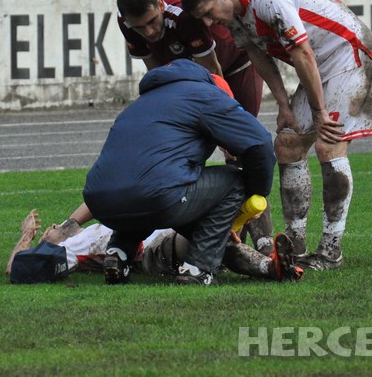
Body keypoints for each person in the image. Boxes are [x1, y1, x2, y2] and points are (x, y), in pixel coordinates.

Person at [180, 0, 372, 271]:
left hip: (350, 54)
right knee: (287, 144)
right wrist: (284, 105)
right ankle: (295, 245)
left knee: (328, 146)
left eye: (209, 14)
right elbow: (257, 55)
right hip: (321, 65)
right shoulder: (234, 13)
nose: (210, 24)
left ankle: (330, 251)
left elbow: (301, 53)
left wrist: (319, 112)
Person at [81, 59, 277, 285]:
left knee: (145, 188)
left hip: (100, 202)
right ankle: (198, 267)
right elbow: (260, 143)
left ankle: (119, 253)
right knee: (235, 181)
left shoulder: (141, 103)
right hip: (155, 195)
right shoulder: (207, 96)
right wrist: (259, 191)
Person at [116, 0, 274, 254]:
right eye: (140, 27)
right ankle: (224, 235)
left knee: (241, 151)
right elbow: (157, 74)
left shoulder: (184, 20)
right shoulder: (127, 23)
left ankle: (264, 241)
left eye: (153, 21)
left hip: (232, 69)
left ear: (161, 6)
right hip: (192, 78)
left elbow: (215, 76)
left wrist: (227, 132)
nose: (149, 32)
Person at [6, 209, 302, 283]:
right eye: (52, 229)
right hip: (151, 252)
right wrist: (26, 238)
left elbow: (93, 202)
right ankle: (270, 265)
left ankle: (272, 262)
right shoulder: (69, 251)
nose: (53, 226)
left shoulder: (88, 229)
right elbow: (15, 269)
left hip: (165, 231)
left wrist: (66, 226)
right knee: (211, 237)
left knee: (226, 215)